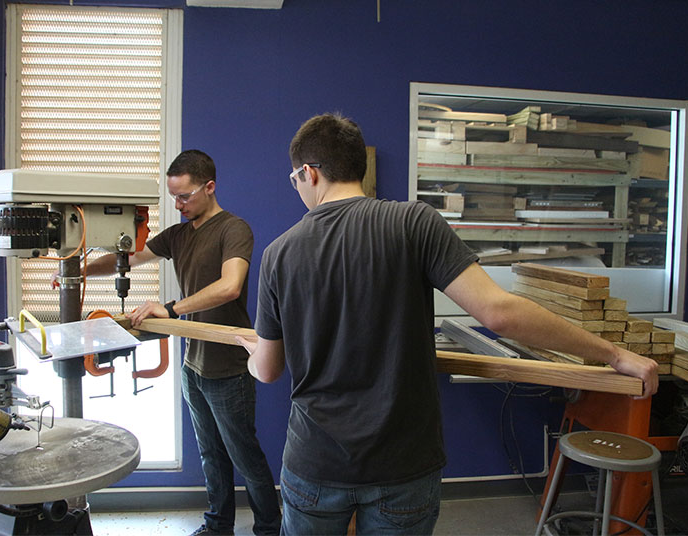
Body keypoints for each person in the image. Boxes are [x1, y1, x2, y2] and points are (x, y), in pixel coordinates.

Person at [236, 113, 659, 536]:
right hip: (403, 465)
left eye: (295, 180)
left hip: (316, 464)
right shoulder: (413, 222)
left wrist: (253, 350)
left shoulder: (279, 254)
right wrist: (614, 354)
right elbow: (500, 312)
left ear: (308, 172)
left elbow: (269, 371)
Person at [81, 150, 281, 536]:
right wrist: (76, 269)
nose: (178, 204)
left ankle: (269, 529)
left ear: (209, 187)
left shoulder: (234, 229)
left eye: (185, 196)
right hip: (195, 367)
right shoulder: (177, 234)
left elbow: (230, 286)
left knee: (245, 456)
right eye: (174, 196)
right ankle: (218, 525)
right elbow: (128, 260)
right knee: (210, 455)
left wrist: (170, 308)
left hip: (229, 368)